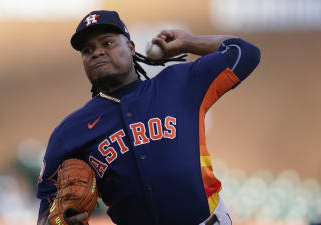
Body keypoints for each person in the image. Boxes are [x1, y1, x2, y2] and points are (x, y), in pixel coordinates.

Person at [37, 10, 261, 225]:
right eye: (87, 50)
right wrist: (61, 220)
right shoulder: (69, 133)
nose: (96, 52)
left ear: (131, 48)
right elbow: (46, 215)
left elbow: (245, 53)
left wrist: (188, 42)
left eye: (107, 43)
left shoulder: (179, 83)